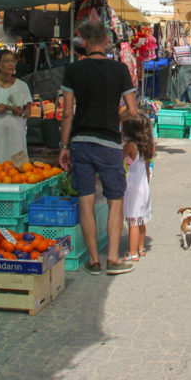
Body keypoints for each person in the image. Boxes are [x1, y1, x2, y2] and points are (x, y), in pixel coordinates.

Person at [59, 22, 138, 276]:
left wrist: (64, 146)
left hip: (81, 142)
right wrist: (117, 119)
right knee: (116, 200)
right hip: (109, 144)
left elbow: (67, 113)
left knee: (86, 199)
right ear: (105, 41)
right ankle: (113, 259)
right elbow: (133, 111)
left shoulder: (73, 70)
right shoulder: (120, 69)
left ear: (83, 42)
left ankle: (93, 260)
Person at [121, 114, 154, 262]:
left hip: (133, 186)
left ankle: (132, 252)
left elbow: (118, 157)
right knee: (141, 220)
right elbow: (147, 168)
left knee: (133, 222)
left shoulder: (130, 146)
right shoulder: (146, 146)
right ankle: (141, 248)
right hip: (144, 185)